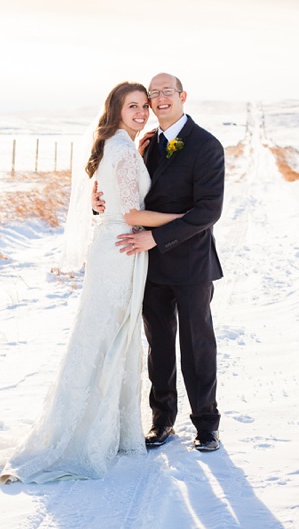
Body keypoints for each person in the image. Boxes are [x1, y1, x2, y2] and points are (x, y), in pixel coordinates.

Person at [0, 82, 183, 484]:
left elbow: (112, 201)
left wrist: (109, 206)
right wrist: (180, 221)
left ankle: (104, 427)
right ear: (116, 109)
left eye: (143, 106)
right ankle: (80, 436)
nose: (140, 112)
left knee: (106, 336)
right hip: (119, 250)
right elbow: (132, 212)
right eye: (132, 105)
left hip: (116, 248)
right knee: (104, 336)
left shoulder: (121, 146)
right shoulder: (120, 149)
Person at [94, 72, 225, 452]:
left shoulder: (206, 146)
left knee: (197, 344)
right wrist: (99, 204)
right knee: (159, 345)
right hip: (148, 263)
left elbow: (208, 211)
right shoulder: (146, 143)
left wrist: (156, 236)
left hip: (191, 263)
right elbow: (125, 193)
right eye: (154, 94)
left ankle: (206, 425)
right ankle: (161, 422)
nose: (160, 98)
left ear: (183, 96)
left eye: (168, 91)